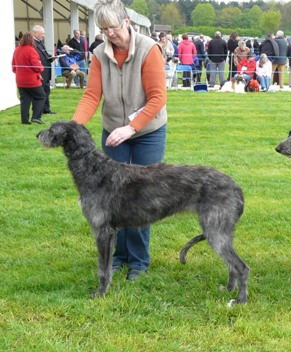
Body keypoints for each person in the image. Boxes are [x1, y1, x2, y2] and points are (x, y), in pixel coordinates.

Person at [72, 0, 167, 281]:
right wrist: (74, 127)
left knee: (141, 197)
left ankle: (138, 260)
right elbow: (91, 95)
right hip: (113, 132)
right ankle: (119, 257)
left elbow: (157, 98)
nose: (109, 34)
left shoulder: (149, 49)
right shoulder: (100, 54)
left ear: (126, 22)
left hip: (147, 132)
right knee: (112, 199)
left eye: (112, 27)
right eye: (103, 29)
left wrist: (131, 127)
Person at [12, 32, 46, 124]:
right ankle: (36, 117)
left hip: (20, 80)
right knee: (41, 97)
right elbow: (37, 66)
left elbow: (13, 66)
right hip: (32, 80)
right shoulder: (31, 50)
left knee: (25, 100)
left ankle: (24, 120)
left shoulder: (17, 50)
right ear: (31, 40)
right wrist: (42, 68)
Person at [32, 25, 57, 115]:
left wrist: (51, 57)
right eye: (42, 33)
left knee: (46, 90)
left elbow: (44, 55)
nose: (43, 35)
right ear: (35, 33)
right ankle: (38, 110)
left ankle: (46, 109)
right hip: (40, 72)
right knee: (40, 92)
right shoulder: (32, 43)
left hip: (46, 71)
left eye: (44, 33)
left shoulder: (41, 42)